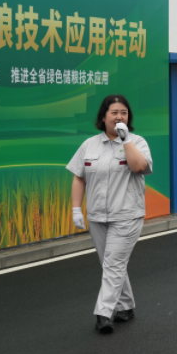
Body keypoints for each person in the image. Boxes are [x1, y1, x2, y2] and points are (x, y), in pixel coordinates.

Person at [67, 94, 153, 334]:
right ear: (103, 117)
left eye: (123, 113)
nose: (119, 116)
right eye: (114, 112)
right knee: (110, 264)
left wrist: (126, 140)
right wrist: (76, 208)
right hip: (97, 215)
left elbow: (139, 167)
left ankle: (103, 313)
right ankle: (126, 306)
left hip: (126, 214)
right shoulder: (89, 145)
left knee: (113, 264)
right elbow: (79, 176)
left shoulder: (138, 142)